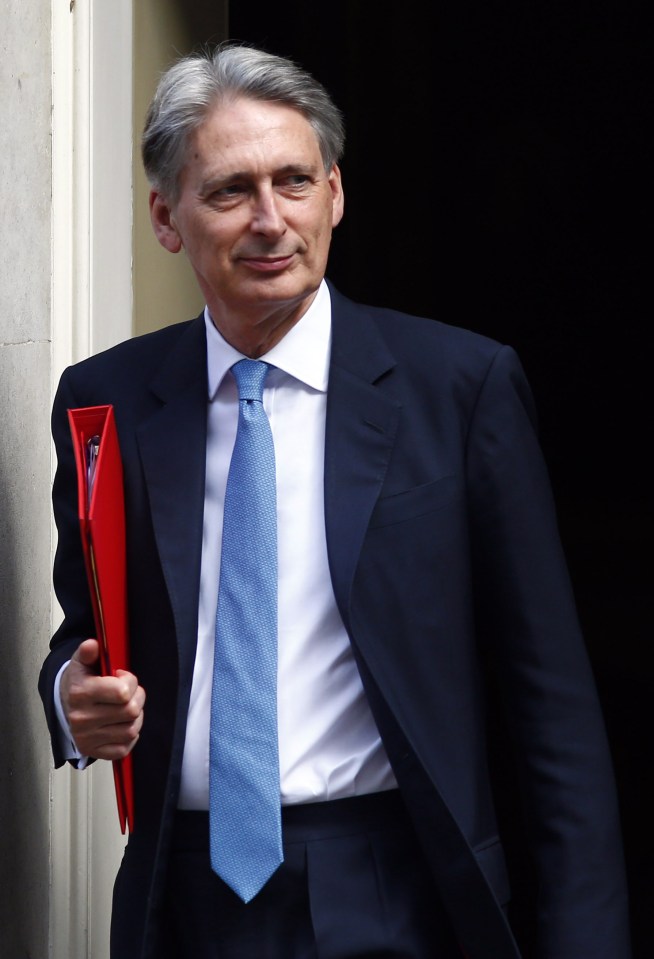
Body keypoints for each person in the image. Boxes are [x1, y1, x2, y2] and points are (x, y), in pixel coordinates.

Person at [39, 41, 632, 959]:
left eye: (295, 182)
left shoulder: (458, 388)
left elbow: (551, 708)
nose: (271, 220)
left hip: (392, 882)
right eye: (231, 191)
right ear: (166, 216)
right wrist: (69, 700)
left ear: (338, 194)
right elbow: (83, 631)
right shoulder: (105, 400)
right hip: (181, 899)